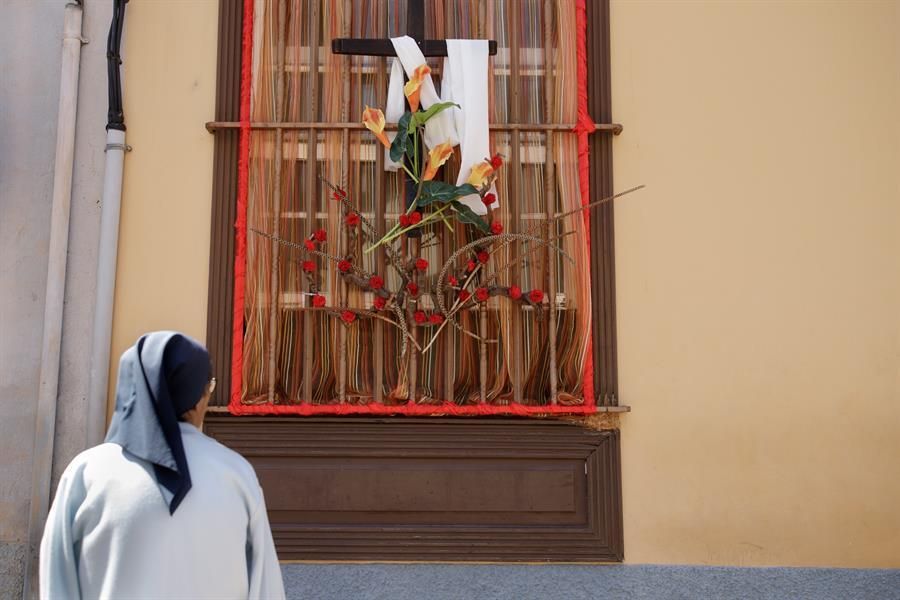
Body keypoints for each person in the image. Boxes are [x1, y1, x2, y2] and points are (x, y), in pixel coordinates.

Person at [40, 331, 285, 599]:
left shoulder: (86, 473)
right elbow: (265, 588)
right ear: (200, 396)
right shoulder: (236, 475)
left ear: (130, 388)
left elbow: (57, 584)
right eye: (209, 387)